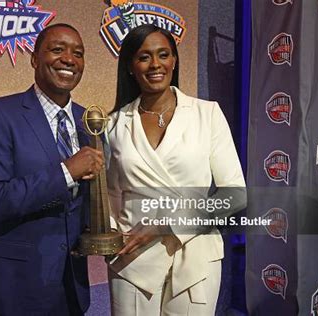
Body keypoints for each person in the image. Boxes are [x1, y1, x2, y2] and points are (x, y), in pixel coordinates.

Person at [0, 23, 104, 315]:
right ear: (34, 59)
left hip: (70, 288)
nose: (69, 59)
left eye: (78, 53)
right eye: (57, 50)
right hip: (12, 290)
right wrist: (67, 171)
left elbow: (88, 200)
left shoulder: (86, 121)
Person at [106, 24, 247, 315]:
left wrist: (165, 225)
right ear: (130, 66)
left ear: (174, 61)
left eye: (163, 54)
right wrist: (109, 237)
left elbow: (235, 195)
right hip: (132, 260)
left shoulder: (207, 114)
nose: (155, 64)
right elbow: (109, 196)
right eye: (144, 57)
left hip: (196, 255)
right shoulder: (114, 124)